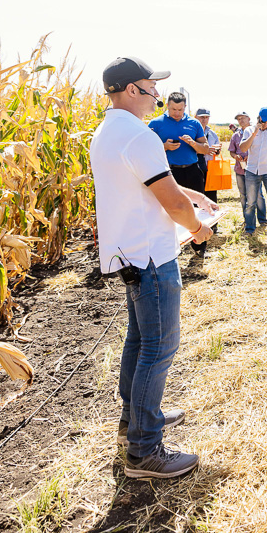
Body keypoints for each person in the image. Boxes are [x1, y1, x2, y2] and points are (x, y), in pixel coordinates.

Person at [91, 56, 216, 479]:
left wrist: (195, 197)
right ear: (131, 90)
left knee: (139, 340)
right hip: (152, 255)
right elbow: (171, 203)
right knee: (158, 348)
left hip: (127, 253)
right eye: (150, 87)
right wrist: (198, 227)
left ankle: (135, 422)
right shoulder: (139, 136)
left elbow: (151, 181)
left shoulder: (109, 132)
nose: (158, 95)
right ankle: (145, 450)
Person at [148, 93, 209, 254]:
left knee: (198, 206)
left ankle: (199, 246)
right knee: (168, 209)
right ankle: (173, 246)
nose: (176, 112)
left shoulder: (194, 123)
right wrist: (164, 146)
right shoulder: (155, 123)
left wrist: (192, 143)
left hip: (192, 170)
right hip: (169, 172)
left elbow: (205, 148)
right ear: (167, 105)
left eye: (180, 109)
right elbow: (146, 151)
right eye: (174, 109)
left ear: (185, 107)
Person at [237, 108, 267, 235]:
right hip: (252, 171)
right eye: (263, 121)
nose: (265, 124)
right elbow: (243, 148)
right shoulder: (249, 130)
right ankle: (249, 229)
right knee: (250, 202)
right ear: (258, 118)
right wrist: (255, 132)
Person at [228, 112, 265, 227]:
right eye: (238, 119)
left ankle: (262, 220)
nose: (240, 121)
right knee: (243, 195)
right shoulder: (235, 136)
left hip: (254, 169)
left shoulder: (257, 132)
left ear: (248, 119)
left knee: (258, 194)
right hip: (240, 169)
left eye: (242, 118)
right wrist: (236, 156)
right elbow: (231, 151)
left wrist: (251, 156)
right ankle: (247, 220)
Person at [193, 108, 222, 234]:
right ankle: (195, 225)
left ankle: (214, 225)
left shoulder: (212, 134)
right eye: (201, 117)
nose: (204, 119)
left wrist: (217, 150)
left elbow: (217, 148)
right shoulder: (191, 131)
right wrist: (204, 149)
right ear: (196, 117)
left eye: (206, 117)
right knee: (197, 197)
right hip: (195, 168)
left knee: (211, 197)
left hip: (210, 169)